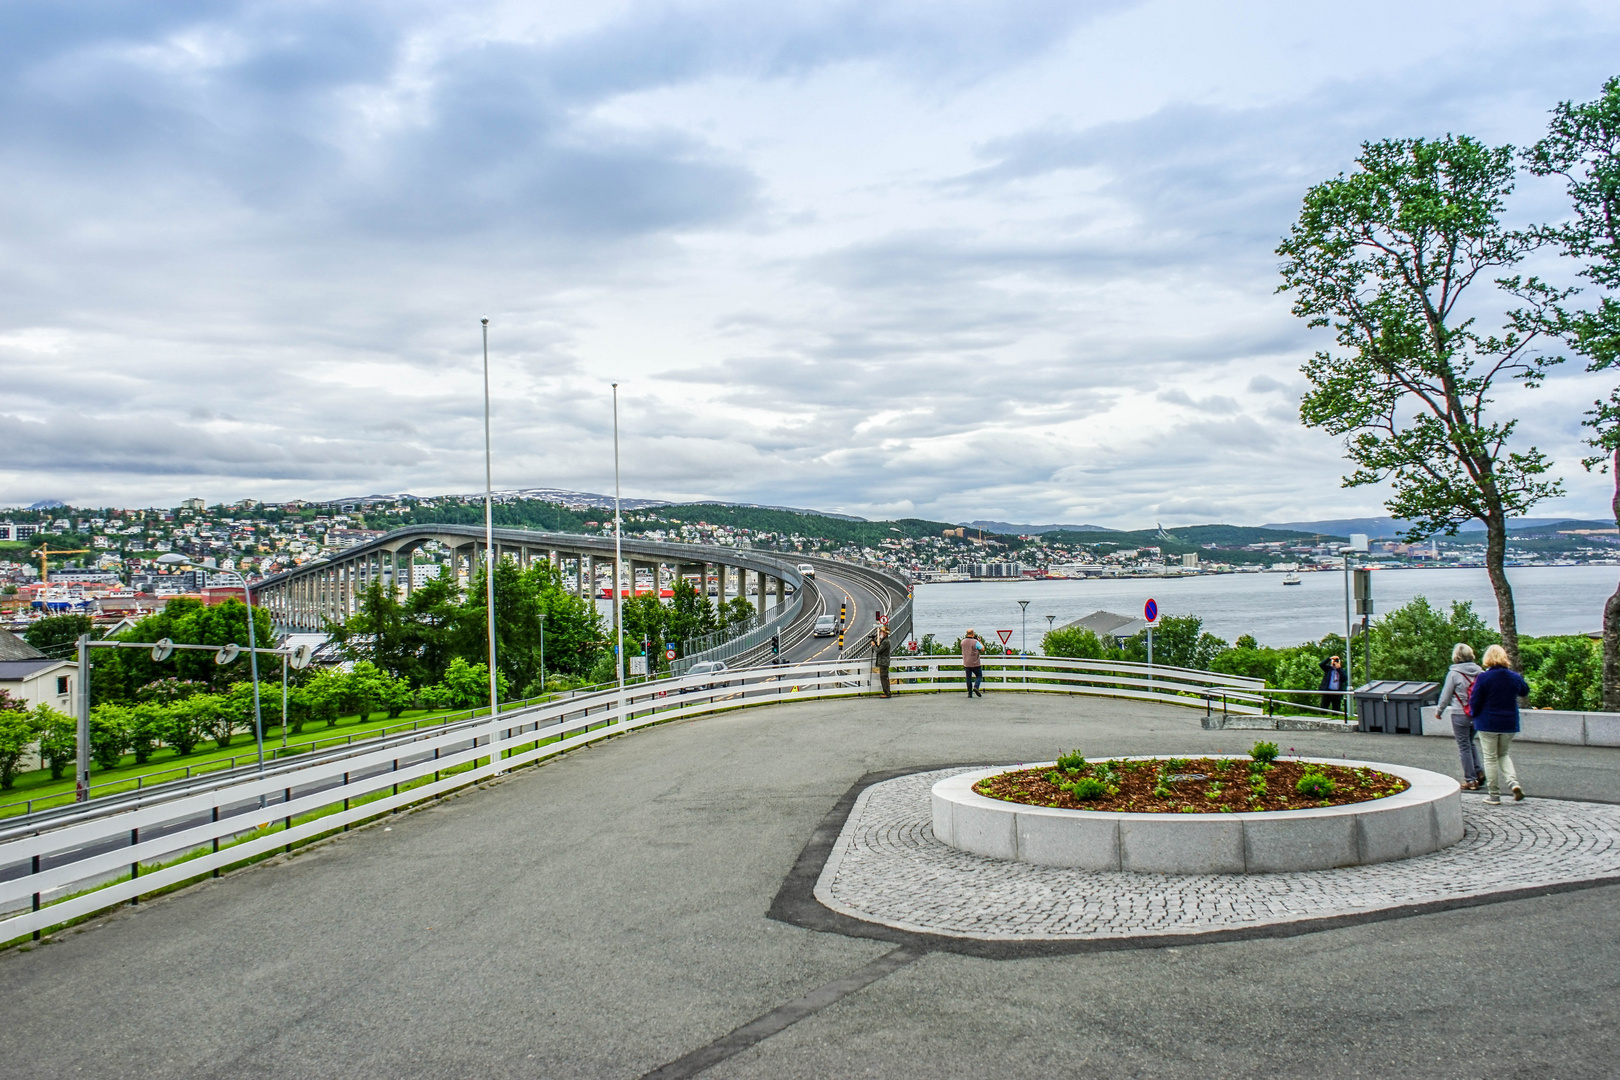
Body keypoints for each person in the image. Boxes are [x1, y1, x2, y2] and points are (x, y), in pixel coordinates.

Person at [1468, 643, 1529, 805]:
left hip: (1487, 723)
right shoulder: (1514, 677)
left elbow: (1475, 700)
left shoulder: (1483, 677)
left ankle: (1494, 795)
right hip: (1509, 723)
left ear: (1487, 659)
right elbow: (1524, 691)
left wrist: (1474, 715)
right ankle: (1513, 783)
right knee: (1503, 754)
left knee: (1490, 758)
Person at [1437, 643, 1486, 789]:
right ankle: (1479, 772)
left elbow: (1445, 696)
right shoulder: (1481, 673)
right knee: (1470, 742)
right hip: (1477, 713)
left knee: (1464, 745)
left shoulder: (1454, 674)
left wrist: (1439, 711)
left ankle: (1470, 780)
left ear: (1456, 656)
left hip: (1459, 713)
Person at [962, 629, 985, 698]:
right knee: (979, 676)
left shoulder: (963, 642)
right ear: (973, 634)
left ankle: (969, 693)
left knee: (968, 678)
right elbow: (982, 649)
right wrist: (980, 641)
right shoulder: (975, 642)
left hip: (966, 662)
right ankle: (976, 687)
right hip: (975, 663)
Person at [872, 626, 893, 698]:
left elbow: (879, 650)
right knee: (884, 677)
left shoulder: (886, 642)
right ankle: (887, 692)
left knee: (884, 677)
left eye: (882, 632)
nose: (880, 633)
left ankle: (887, 693)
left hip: (883, 662)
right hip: (884, 662)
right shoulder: (885, 640)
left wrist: (873, 646)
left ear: (885, 634)